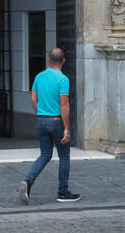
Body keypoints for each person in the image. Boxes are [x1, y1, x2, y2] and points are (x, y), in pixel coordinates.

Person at [19, 47, 80, 204]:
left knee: (45, 154)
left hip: (41, 120)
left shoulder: (39, 76)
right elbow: (64, 103)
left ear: (48, 60)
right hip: (56, 121)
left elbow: (33, 99)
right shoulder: (63, 79)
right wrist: (66, 128)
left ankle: (28, 181)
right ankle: (63, 192)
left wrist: (40, 113)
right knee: (64, 156)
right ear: (63, 61)